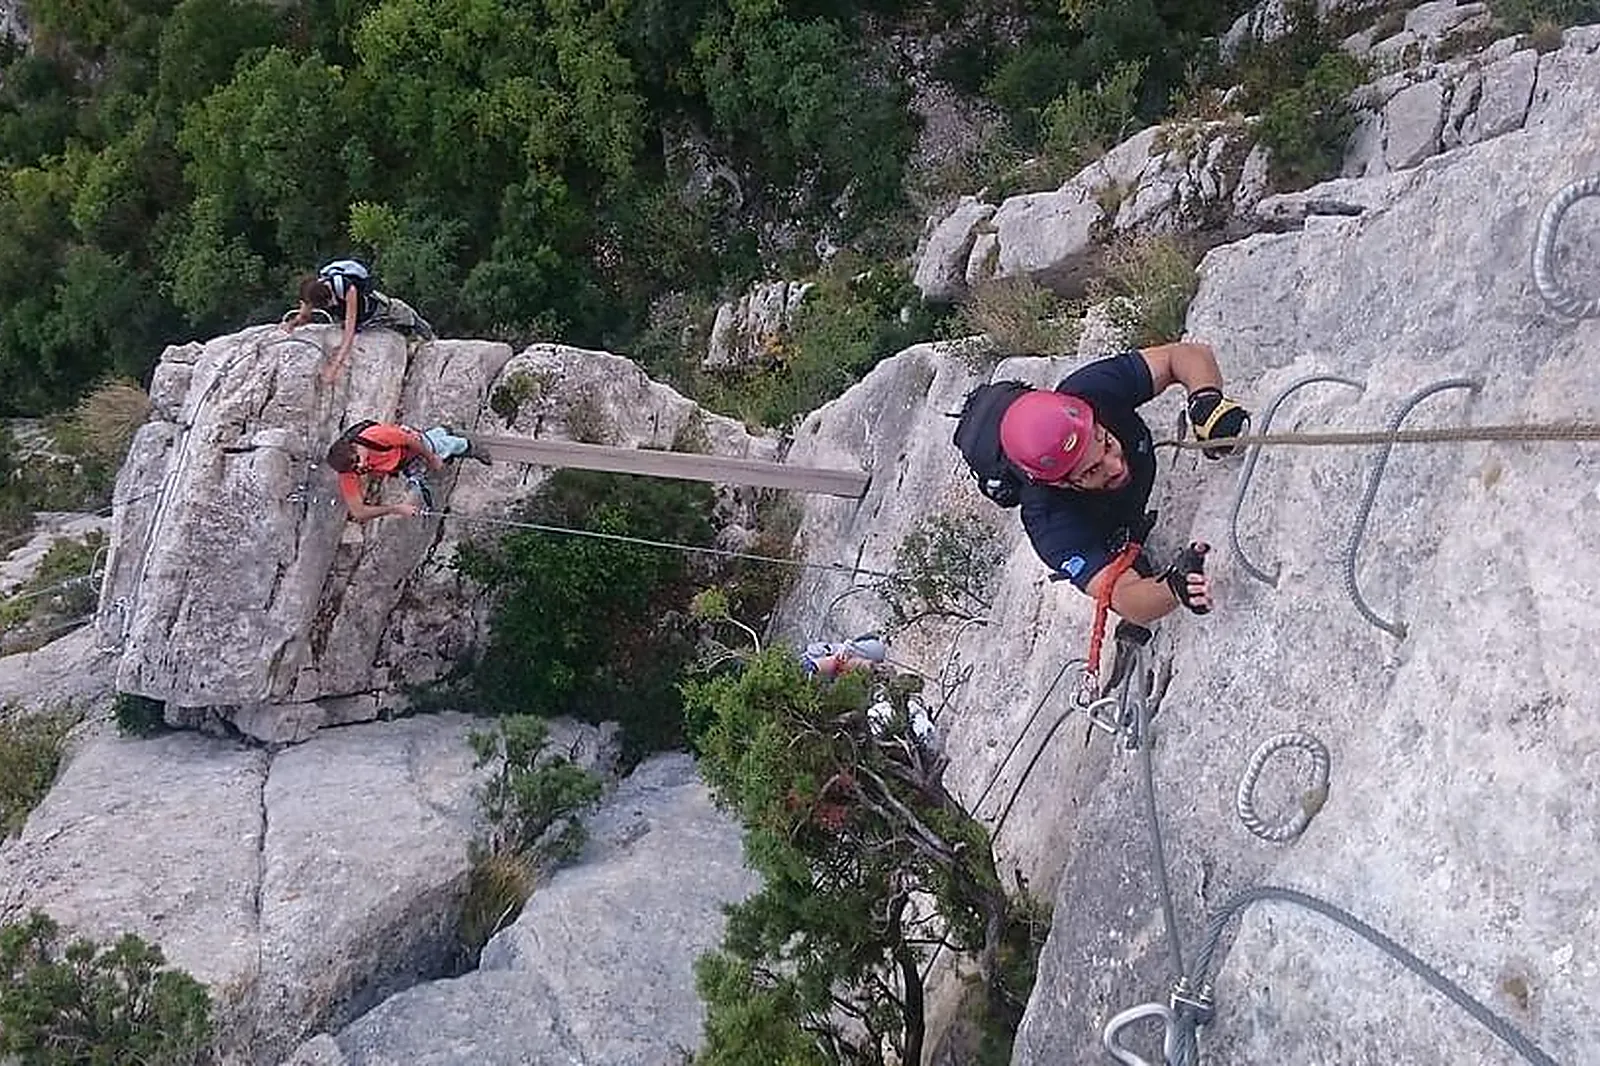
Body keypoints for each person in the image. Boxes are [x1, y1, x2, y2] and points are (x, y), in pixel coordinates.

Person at [997, 341, 1251, 624]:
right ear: (1061, 484)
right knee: (1131, 566)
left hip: (1128, 488)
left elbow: (1185, 355)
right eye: (1092, 471)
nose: (1115, 466)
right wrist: (1172, 588)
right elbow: (1126, 598)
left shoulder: (1089, 392)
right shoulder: (1051, 522)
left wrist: (1205, 402)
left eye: (1106, 442)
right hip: (1112, 527)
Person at [284, 259, 435, 384]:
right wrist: (291, 324)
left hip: (385, 311)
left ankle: (431, 343)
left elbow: (349, 333)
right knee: (406, 344)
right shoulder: (310, 293)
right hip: (368, 322)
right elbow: (303, 315)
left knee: (417, 325)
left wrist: (334, 368)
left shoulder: (347, 289)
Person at [326, 422, 489, 523]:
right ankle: (442, 431)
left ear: (355, 447)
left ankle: (468, 446)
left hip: (410, 446)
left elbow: (408, 440)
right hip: (402, 463)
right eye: (354, 469)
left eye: (357, 461)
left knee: (439, 448)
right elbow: (359, 512)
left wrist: (431, 458)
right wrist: (395, 508)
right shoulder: (347, 471)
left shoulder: (375, 436)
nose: (359, 467)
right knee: (429, 474)